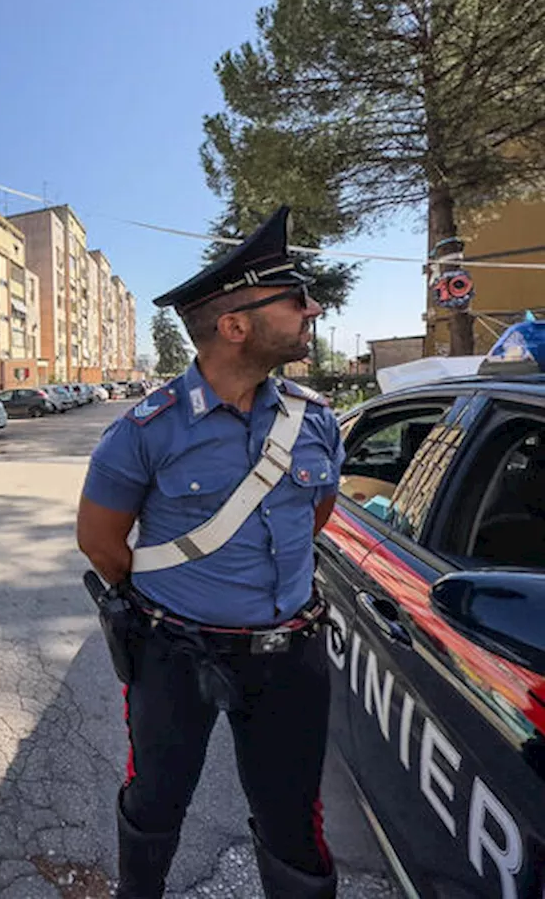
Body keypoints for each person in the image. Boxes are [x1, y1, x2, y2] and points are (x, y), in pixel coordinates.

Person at [76, 206, 344, 899]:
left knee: (294, 823)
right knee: (155, 801)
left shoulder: (315, 422)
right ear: (235, 326)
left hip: (291, 658)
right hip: (175, 658)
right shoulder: (145, 430)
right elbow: (101, 543)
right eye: (293, 298)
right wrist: (181, 604)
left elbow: (314, 517)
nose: (311, 308)